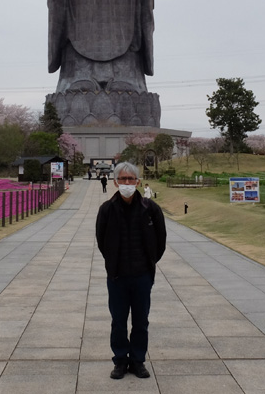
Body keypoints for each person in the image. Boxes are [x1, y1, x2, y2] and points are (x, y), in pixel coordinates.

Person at [95, 162, 166, 380]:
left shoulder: (150, 208)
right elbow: (102, 241)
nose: (127, 183)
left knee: (141, 321)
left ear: (138, 182)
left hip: (142, 276)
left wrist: (150, 263)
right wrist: (113, 263)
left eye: (131, 179)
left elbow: (160, 241)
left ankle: (137, 360)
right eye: (123, 179)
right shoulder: (106, 209)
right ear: (115, 182)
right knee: (118, 321)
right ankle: (120, 360)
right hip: (117, 277)